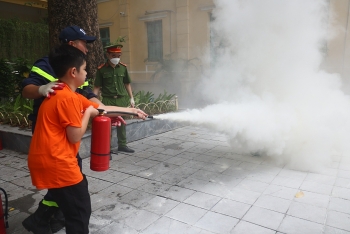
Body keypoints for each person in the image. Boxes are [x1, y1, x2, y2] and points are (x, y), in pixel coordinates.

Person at [27, 44, 147, 234]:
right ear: (73, 72)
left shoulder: (63, 92)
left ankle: (40, 220)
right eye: (84, 69)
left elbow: (101, 108)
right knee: (79, 213)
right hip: (58, 163)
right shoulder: (68, 99)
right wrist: (87, 113)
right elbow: (74, 135)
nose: (87, 73)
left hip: (51, 161)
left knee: (77, 205)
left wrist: (133, 111)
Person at [93, 44, 136, 153]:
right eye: (113, 55)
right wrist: (93, 101)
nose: (116, 58)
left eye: (119, 55)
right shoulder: (102, 70)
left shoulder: (123, 68)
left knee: (121, 123)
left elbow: (127, 83)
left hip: (121, 99)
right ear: (107, 55)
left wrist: (131, 98)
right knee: (107, 125)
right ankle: (107, 149)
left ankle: (122, 145)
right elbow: (97, 87)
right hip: (108, 100)